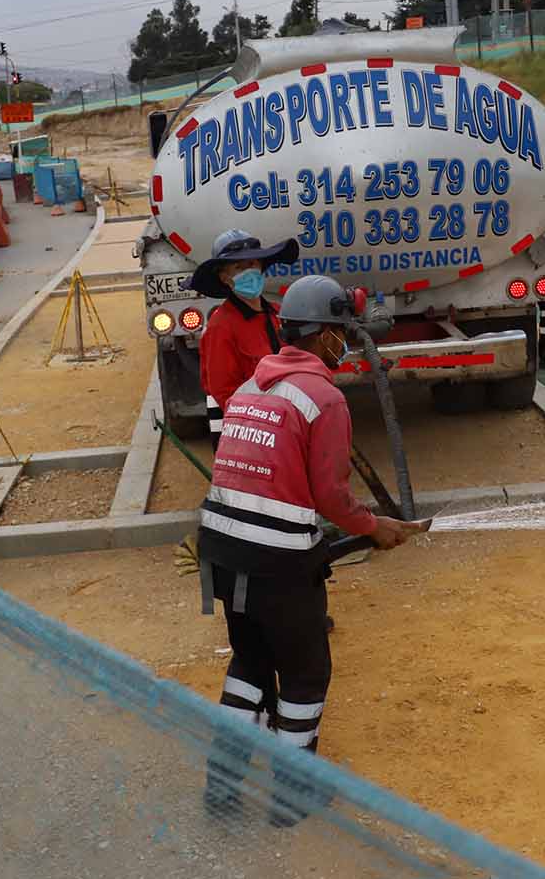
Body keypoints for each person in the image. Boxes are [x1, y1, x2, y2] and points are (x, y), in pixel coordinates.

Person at [199, 274, 429, 825]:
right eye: (343, 332)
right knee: (305, 673)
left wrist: (359, 528)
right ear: (325, 335)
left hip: (222, 553)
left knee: (251, 660)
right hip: (276, 561)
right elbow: (330, 494)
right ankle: (293, 796)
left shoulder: (255, 385)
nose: (347, 342)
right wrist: (374, 526)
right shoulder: (323, 397)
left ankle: (222, 787)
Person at [188, 228, 299, 451]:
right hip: (253, 437)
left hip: (291, 429)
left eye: (252, 264)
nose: (249, 271)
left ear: (261, 266)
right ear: (224, 277)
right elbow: (225, 393)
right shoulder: (221, 327)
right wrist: (267, 425)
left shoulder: (279, 314)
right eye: (239, 267)